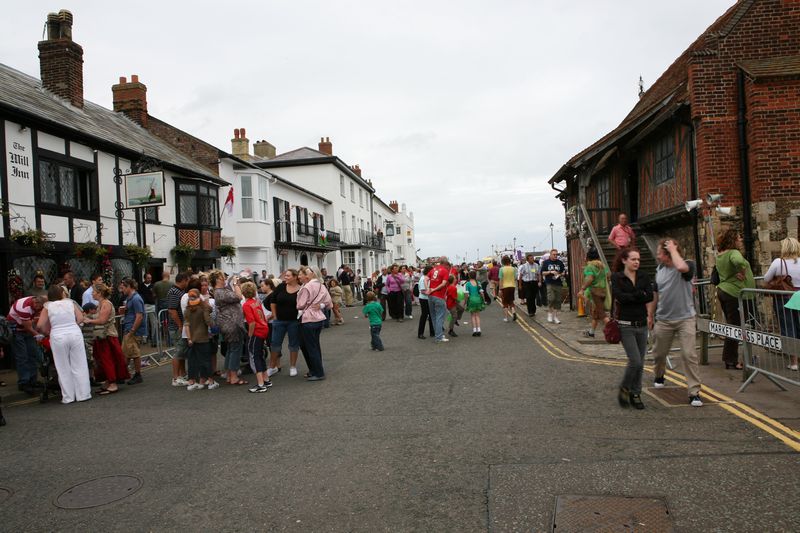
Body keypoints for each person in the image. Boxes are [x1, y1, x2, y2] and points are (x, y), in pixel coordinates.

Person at [648, 238, 703, 407]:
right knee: (658, 353)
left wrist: (673, 249)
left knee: (689, 354)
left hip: (685, 318)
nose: (657, 255)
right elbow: (655, 294)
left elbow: (681, 267)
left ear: (668, 253)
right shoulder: (659, 269)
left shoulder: (688, 265)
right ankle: (659, 375)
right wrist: (650, 314)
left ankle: (694, 392)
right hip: (664, 320)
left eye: (659, 252)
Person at [611, 248, 653, 409]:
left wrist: (633, 296)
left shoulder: (643, 276)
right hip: (625, 325)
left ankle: (636, 393)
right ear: (624, 260)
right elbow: (619, 297)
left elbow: (649, 295)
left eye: (638, 260)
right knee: (635, 360)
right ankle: (625, 387)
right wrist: (638, 295)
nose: (637, 262)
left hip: (641, 324)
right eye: (633, 259)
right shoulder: (617, 277)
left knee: (640, 362)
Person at [35, 285, 91, 404]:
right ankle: (83, 394)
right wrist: (73, 325)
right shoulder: (70, 303)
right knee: (79, 364)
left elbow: (39, 325)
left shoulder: (47, 307)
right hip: (74, 333)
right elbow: (81, 318)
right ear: (61, 294)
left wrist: (47, 332)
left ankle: (68, 397)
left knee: (62, 366)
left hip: (58, 335)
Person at [715, 229, 756, 370]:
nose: (741, 240)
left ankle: (735, 358)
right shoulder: (733, 253)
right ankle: (731, 360)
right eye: (739, 237)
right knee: (736, 327)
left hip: (726, 291)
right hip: (734, 293)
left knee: (734, 326)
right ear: (733, 240)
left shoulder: (721, 254)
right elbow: (739, 262)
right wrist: (742, 271)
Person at [83, 283, 129, 395]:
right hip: (101, 335)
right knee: (102, 360)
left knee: (108, 359)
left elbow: (102, 320)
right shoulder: (100, 304)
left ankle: (113, 383)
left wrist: (89, 320)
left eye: (93, 291)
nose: (92, 293)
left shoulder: (106, 304)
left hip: (107, 335)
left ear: (99, 293)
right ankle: (108, 381)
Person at [763, 237, 800, 371]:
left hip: (784, 297)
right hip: (799, 296)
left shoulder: (779, 262)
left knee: (788, 327)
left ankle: (794, 362)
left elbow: (766, 278)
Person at [210, 270, 247, 386]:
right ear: (217, 280)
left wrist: (234, 284)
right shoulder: (220, 292)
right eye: (222, 278)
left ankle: (229, 375)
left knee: (231, 349)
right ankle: (234, 377)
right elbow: (239, 296)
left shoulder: (221, 291)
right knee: (235, 350)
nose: (225, 279)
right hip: (231, 324)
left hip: (229, 323)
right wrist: (236, 284)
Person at [297, 266, 332, 381]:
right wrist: (320, 305)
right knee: (315, 346)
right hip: (318, 319)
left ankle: (318, 372)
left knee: (311, 347)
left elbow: (300, 305)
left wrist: (300, 303)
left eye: (307, 272)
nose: (304, 274)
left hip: (308, 319)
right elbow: (328, 303)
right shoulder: (321, 286)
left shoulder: (307, 287)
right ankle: (316, 370)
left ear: (312, 274)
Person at [7, 294, 46, 394]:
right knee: (22, 356)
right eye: (41, 307)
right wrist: (38, 336)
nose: (41, 310)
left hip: (25, 328)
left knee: (32, 354)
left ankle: (33, 380)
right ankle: (24, 383)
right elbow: (28, 328)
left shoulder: (35, 301)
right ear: (36, 303)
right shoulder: (25, 308)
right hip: (17, 330)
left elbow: (32, 323)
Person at [269, 269, 302, 377]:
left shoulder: (301, 289)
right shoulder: (281, 287)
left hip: (294, 321)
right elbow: (273, 301)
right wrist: (275, 316)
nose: (285, 277)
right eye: (285, 276)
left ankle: (293, 366)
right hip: (279, 321)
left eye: (288, 276)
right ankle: (272, 367)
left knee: (293, 345)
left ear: (295, 277)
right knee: (275, 344)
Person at [183, 288, 216, 391]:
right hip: (203, 337)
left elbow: (186, 325)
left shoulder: (187, 309)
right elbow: (207, 321)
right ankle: (210, 381)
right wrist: (214, 326)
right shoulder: (203, 308)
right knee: (205, 360)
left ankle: (192, 382)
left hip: (192, 338)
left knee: (193, 361)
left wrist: (189, 339)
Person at [242, 282, 272, 393]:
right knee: (259, 355)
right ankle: (266, 379)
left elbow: (252, 323)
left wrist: (249, 335)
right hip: (264, 328)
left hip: (257, 331)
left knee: (254, 356)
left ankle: (260, 384)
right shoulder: (256, 302)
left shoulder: (246, 305)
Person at [120, 278, 146, 385]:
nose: (122, 290)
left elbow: (139, 316)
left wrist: (132, 330)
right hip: (129, 328)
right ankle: (123, 374)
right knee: (127, 352)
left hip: (133, 330)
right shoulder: (130, 298)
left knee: (134, 353)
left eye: (123, 287)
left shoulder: (136, 299)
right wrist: (124, 310)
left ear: (129, 287)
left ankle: (137, 374)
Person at [579, 248, 610, 337]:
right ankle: (591, 332)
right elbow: (608, 276)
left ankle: (615, 332)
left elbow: (590, 278)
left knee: (602, 314)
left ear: (588, 257)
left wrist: (582, 289)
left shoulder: (590, 267)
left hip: (595, 292)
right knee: (596, 313)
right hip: (603, 292)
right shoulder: (602, 266)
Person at [167, 272, 190, 386]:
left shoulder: (180, 291)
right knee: (178, 351)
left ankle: (183, 373)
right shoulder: (174, 292)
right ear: (183, 280)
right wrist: (180, 325)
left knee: (182, 352)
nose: (188, 283)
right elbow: (172, 310)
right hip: (176, 327)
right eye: (187, 281)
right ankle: (175, 378)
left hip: (180, 326)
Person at [428, 257, 451, 343]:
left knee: (434, 316)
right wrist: (434, 289)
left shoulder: (434, 269)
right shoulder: (445, 271)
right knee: (440, 317)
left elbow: (426, 278)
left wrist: (428, 289)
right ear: (445, 263)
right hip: (439, 296)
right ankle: (439, 337)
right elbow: (443, 283)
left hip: (430, 296)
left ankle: (438, 334)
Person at [541, 249, 566, 324]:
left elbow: (563, 272)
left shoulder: (560, 262)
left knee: (558, 300)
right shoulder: (546, 262)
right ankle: (549, 313)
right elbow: (542, 273)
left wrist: (560, 274)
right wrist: (550, 272)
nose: (555, 256)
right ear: (550, 255)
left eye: (556, 254)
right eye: (554, 254)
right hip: (550, 283)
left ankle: (555, 317)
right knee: (551, 298)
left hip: (558, 283)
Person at [517, 253, 539, 317]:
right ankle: (530, 312)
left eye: (533, 258)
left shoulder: (536, 265)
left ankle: (533, 310)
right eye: (531, 258)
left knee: (533, 297)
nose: (533, 259)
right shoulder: (524, 266)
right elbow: (520, 276)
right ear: (528, 260)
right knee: (528, 297)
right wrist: (520, 285)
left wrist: (539, 281)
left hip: (534, 283)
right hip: (527, 283)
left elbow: (538, 274)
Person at [464, 270, 486, 336]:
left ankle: (474, 330)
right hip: (478, 299)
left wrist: (465, 302)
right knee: (477, 315)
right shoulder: (478, 282)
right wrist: (484, 300)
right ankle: (479, 329)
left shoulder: (467, 284)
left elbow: (466, 295)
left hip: (471, 300)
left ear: (469, 276)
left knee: (473, 316)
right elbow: (482, 293)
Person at [140, 272, 158, 347]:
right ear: (145, 278)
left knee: (153, 323)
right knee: (144, 323)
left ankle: (154, 339)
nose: (150, 279)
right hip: (144, 306)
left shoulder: (153, 286)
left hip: (152, 306)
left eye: (150, 278)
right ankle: (144, 338)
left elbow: (156, 295)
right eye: (148, 278)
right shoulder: (141, 286)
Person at [417, 266, 434, 339]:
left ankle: (432, 332)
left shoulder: (427, 278)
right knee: (424, 316)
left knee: (431, 315)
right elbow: (422, 290)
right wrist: (431, 292)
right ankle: (420, 333)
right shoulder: (423, 279)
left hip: (428, 298)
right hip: (424, 299)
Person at [498, 256, 517, 322]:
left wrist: (500, 289)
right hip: (512, 286)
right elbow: (515, 278)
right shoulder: (513, 268)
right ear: (509, 261)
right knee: (511, 300)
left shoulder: (501, 269)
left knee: (505, 302)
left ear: (502, 262)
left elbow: (501, 280)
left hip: (504, 287)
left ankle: (506, 318)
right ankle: (513, 312)